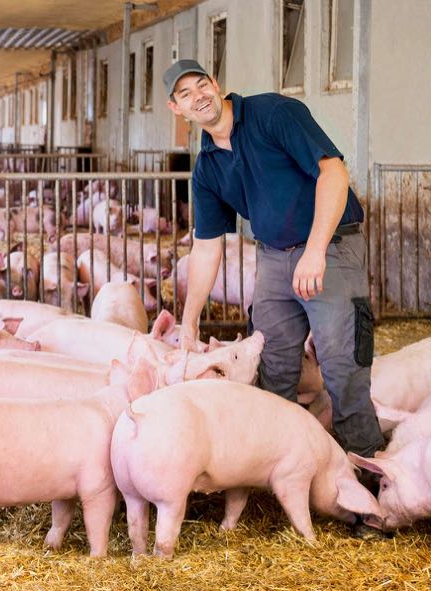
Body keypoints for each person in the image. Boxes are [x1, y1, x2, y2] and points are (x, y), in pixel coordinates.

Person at [162, 60, 386, 517]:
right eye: (185, 94)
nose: (198, 96)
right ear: (176, 108)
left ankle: (371, 494)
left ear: (216, 85)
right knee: (272, 371)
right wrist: (187, 322)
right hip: (272, 256)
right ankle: (289, 483)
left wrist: (316, 249)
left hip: (331, 247)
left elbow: (334, 173)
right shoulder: (206, 168)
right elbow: (207, 249)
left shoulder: (273, 114)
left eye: (201, 84)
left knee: (343, 367)